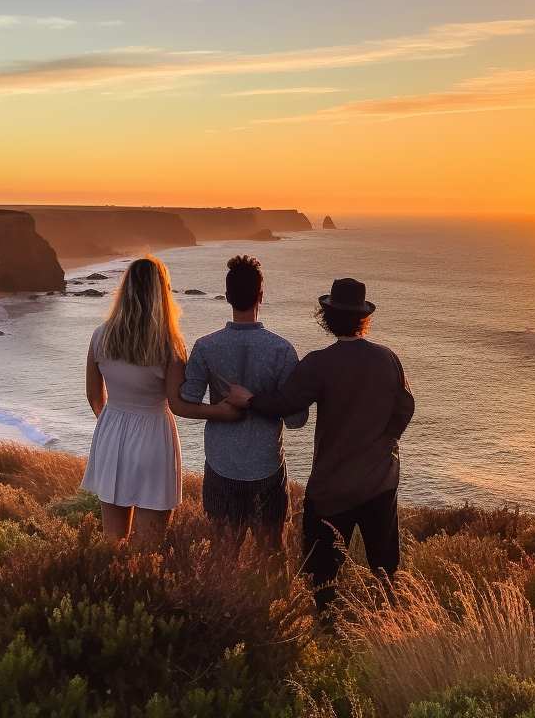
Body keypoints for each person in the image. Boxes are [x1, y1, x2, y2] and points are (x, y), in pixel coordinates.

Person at [225, 277, 414, 613]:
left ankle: (327, 629)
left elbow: (285, 403)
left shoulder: (318, 363)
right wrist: (386, 441)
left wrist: (248, 399)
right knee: (384, 569)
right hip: (379, 480)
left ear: (326, 317)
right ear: (363, 318)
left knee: (322, 575)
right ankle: (389, 629)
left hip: (331, 487)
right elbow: (405, 406)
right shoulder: (388, 359)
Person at [84, 256, 240, 547]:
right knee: (147, 547)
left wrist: (111, 426)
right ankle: (138, 590)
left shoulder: (100, 336)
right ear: (162, 292)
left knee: (112, 541)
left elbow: (94, 395)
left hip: (111, 434)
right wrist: (219, 411)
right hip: (153, 438)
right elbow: (179, 405)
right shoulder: (168, 343)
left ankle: (109, 589)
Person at [180, 255, 308, 552]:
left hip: (220, 464)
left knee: (222, 558)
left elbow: (188, 401)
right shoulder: (281, 350)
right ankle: (272, 600)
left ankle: (224, 600)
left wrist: (221, 412)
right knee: (272, 556)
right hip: (267, 465)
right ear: (261, 296)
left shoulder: (206, 346)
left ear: (226, 297)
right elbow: (297, 420)